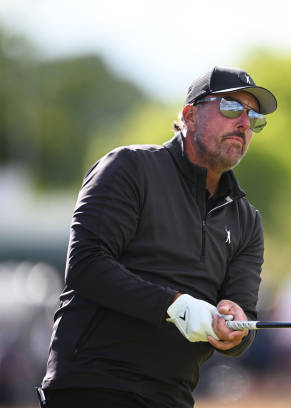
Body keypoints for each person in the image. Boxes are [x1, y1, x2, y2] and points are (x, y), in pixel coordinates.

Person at [38, 66, 277, 408]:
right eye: (230, 108)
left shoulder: (246, 220)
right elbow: (87, 265)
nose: (243, 123)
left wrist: (235, 328)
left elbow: (243, 321)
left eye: (253, 117)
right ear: (190, 116)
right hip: (93, 385)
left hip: (171, 396)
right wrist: (174, 305)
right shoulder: (129, 168)